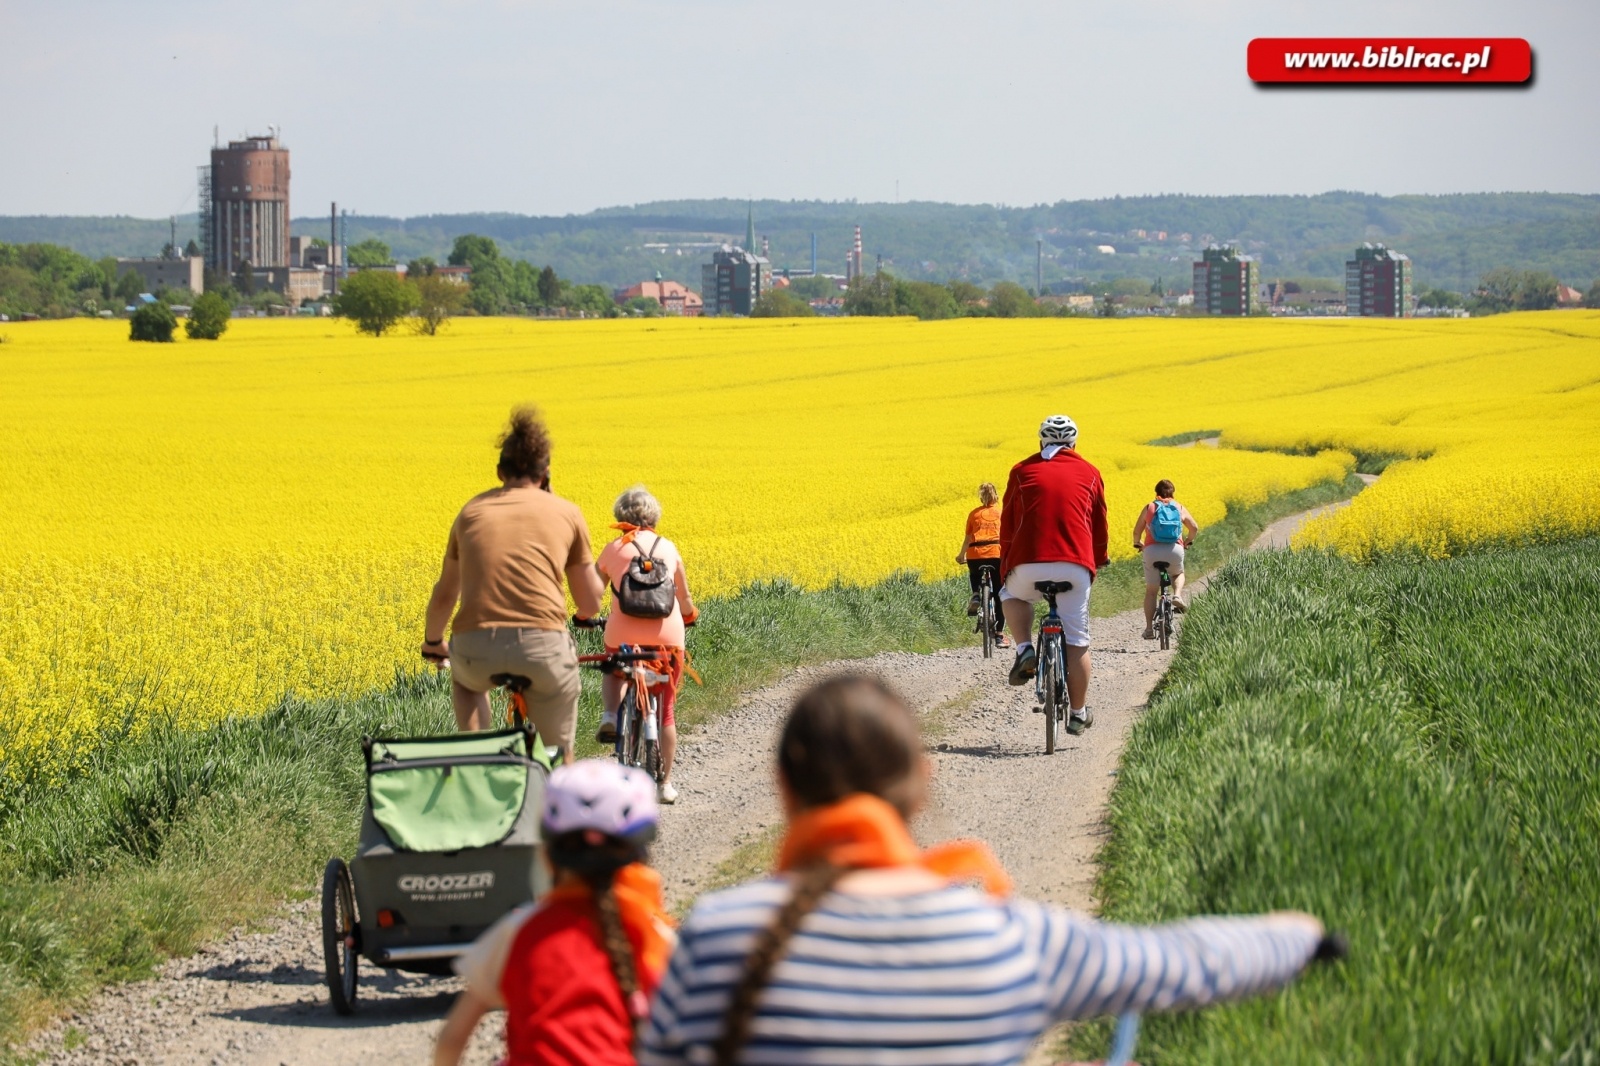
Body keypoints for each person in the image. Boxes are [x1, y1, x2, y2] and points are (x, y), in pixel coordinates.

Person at [639, 676, 1330, 1066]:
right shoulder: (1008, 939)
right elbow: (1178, 962)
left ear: (783, 789)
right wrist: (1296, 935)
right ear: (923, 784)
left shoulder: (716, 937)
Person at [435, 759, 676, 1066]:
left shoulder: (519, 930)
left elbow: (452, 1040)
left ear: (547, 856)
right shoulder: (655, 938)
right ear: (640, 858)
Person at [423, 406, 604, 757]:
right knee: (556, 752)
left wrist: (433, 642)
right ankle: (554, 781)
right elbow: (590, 603)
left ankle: (478, 756)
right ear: (546, 473)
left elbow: (445, 595)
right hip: (542, 649)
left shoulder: (471, 512)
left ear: (499, 472)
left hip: (477, 648)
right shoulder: (567, 512)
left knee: (467, 682)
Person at [997, 414, 1109, 735]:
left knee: (1012, 595)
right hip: (1075, 565)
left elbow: (1008, 524)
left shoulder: (1021, 471)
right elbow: (1098, 527)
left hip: (1027, 564)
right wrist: (1097, 561)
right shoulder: (1090, 472)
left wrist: (1008, 565)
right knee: (1077, 643)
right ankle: (1078, 713)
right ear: (1074, 444)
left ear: (1041, 442)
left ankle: (1024, 649)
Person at [593, 486, 698, 804]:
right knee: (666, 712)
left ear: (620, 516)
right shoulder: (668, 547)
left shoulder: (614, 548)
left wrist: (585, 616)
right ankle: (664, 785)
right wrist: (690, 616)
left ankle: (611, 715)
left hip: (622, 635)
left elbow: (593, 593)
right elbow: (684, 597)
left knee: (614, 665)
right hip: (668, 640)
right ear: (654, 516)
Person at [1132, 478, 1200, 640]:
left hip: (1152, 551)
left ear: (1156, 492)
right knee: (1177, 573)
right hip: (1174, 549)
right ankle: (1177, 595)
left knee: (1151, 591)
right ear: (1172, 493)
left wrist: (1138, 543)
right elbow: (1194, 527)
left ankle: (1149, 629)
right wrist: (1188, 540)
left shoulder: (1150, 507)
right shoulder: (1178, 507)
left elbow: (1136, 531)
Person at [955, 481, 1008, 648]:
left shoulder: (974, 514)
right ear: (996, 496)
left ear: (981, 497)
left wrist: (961, 555)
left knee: (975, 574)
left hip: (975, 554)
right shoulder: (1001, 513)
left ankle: (977, 593)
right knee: (1000, 593)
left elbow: (968, 538)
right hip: (996, 554)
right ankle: (999, 635)